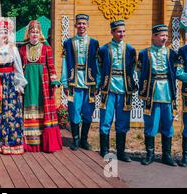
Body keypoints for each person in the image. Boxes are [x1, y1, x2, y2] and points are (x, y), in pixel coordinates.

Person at [137, 24, 178, 166]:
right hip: (151, 92)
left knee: (168, 123)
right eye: (162, 35)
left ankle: (166, 155)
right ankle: (150, 154)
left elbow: (177, 72)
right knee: (151, 123)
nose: (164, 38)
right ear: (154, 36)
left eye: (166, 35)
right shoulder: (144, 53)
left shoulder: (172, 53)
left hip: (167, 91)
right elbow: (138, 72)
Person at [19, 20, 62, 153]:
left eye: (37, 32)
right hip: (28, 83)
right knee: (28, 109)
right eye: (32, 32)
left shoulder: (46, 48)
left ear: (40, 33)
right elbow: (19, 68)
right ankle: (31, 143)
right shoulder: (22, 49)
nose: (35, 34)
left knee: (43, 109)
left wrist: (54, 81)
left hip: (42, 83)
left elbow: (51, 66)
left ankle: (45, 143)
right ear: (28, 33)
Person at [0, 19, 27, 155]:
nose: (3, 35)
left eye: (5, 32)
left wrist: (19, 86)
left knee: (9, 112)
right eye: (0, 32)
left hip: (9, 84)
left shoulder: (13, 49)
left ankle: (10, 143)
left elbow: (18, 69)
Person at [97, 20, 137, 162]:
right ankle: (104, 150)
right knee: (106, 120)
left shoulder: (131, 50)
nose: (122, 34)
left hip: (125, 89)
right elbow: (99, 70)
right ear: (112, 32)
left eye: (123, 31)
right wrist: (98, 85)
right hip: (108, 89)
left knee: (122, 121)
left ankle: (121, 152)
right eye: (119, 31)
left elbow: (132, 70)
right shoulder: (103, 50)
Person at [61, 14, 100, 151]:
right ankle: (75, 139)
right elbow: (65, 62)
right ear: (75, 25)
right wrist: (65, 82)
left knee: (88, 111)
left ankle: (84, 139)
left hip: (89, 83)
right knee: (74, 111)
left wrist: (98, 82)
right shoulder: (68, 43)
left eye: (84, 23)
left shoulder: (94, 43)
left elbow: (97, 64)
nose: (82, 26)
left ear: (87, 25)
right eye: (79, 23)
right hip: (74, 81)